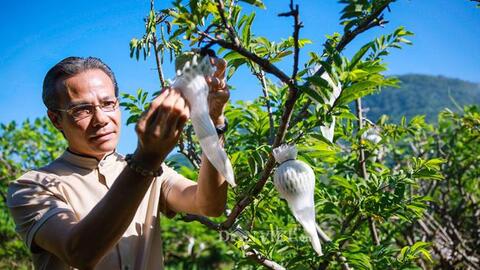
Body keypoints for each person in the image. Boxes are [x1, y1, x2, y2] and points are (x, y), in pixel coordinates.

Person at [7, 56, 230, 269]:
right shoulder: (31, 187)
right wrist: (146, 159)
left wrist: (213, 124)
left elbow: (209, 204)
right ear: (56, 119)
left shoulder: (154, 174)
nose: (101, 119)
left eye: (107, 103)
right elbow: (80, 253)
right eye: (82, 109)